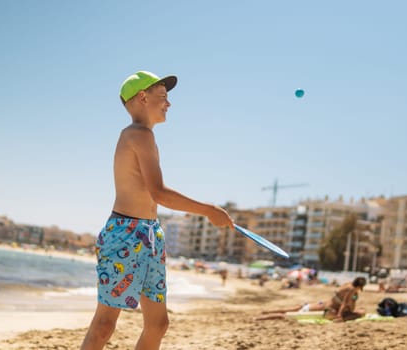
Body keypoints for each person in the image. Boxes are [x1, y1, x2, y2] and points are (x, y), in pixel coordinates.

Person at [80, 71, 234, 350]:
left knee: (159, 324)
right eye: (163, 97)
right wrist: (209, 210)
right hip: (125, 234)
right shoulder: (137, 135)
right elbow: (159, 193)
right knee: (104, 325)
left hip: (150, 234)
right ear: (142, 97)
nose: (169, 103)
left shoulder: (145, 136)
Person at [255, 277, 367, 322]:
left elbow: (344, 302)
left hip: (318, 305)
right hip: (318, 310)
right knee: (284, 315)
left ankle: (265, 312)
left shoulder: (347, 285)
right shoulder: (351, 290)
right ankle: (260, 318)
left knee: (290, 309)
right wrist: (340, 316)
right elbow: (344, 304)